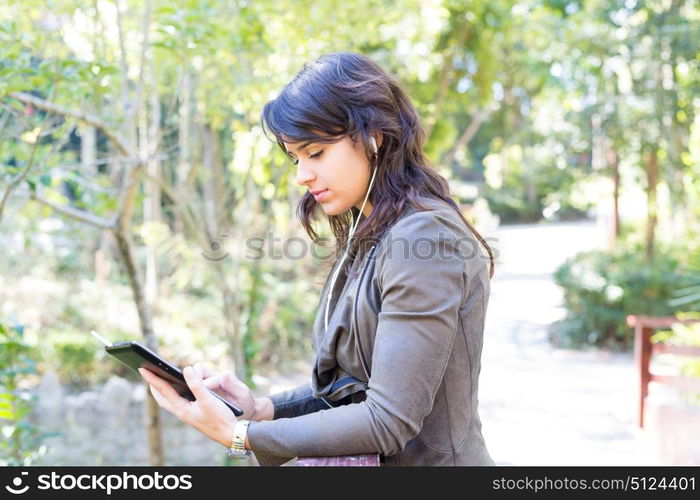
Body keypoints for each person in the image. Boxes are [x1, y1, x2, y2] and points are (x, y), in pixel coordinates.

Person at [139, 51, 496, 466]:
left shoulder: (426, 237)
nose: (301, 176)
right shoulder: (374, 235)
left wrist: (243, 436)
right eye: (295, 158)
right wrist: (261, 410)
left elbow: (388, 419)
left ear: (374, 137)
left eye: (316, 153)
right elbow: (354, 385)